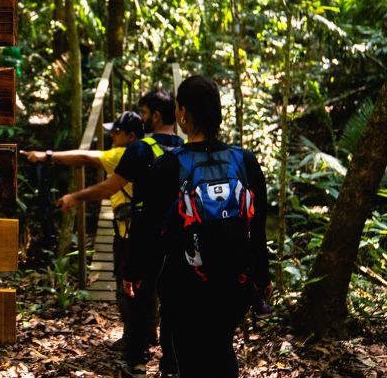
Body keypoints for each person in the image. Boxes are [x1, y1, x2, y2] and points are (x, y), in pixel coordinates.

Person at [123, 76, 271, 377]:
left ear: (183, 113)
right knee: (220, 346)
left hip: (186, 286)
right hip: (235, 283)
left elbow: (147, 229)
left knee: (190, 358)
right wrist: (262, 275)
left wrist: (134, 272)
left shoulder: (169, 165)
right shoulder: (244, 160)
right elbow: (258, 225)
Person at [57, 90, 183, 377]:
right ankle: (172, 363)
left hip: (144, 234)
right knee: (173, 298)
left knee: (137, 293)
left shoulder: (141, 149)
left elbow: (109, 187)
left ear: (157, 116)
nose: (142, 118)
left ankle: (137, 361)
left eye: (145, 113)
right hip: (179, 236)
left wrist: (76, 197)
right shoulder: (186, 147)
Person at [24, 112, 144, 322]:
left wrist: (48, 156)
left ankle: (132, 340)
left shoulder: (122, 155)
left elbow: (85, 157)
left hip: (129, 232)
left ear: (131, 136)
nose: (112, 136)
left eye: (116, 132)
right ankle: (148, 334)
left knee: (126, 283)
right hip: (151, 226)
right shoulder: (151, 151)